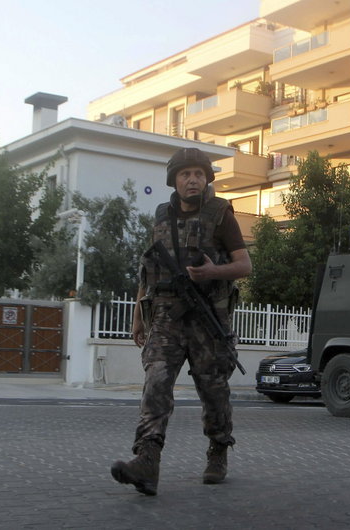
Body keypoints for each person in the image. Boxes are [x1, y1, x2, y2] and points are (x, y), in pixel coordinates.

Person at [111, 147, 252, 496]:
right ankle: (147, 461)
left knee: (213, 390)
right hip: (166, 318)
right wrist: (138, 316)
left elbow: (245, 265)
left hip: (207, 321)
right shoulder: (162, 216)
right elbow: (148, 269)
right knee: (156, 383)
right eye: (186, 174)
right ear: (174, 180)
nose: (193, 180)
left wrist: (212, 272)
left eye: (199, 174)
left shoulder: (221, 214)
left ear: (207, 179)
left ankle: (218, 450)